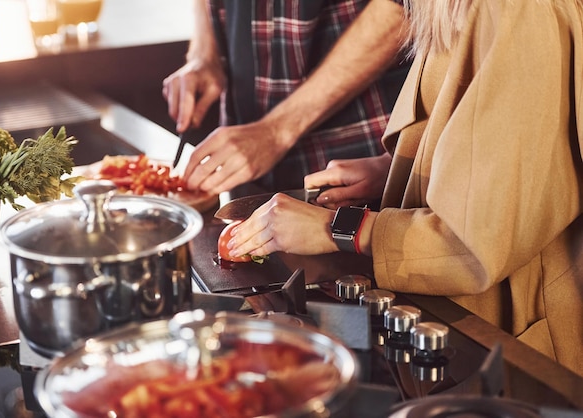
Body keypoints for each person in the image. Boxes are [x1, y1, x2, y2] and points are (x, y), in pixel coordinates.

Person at [225, 0, 583, 377]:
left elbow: (472, 245)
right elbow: (514, 149)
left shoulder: (522, 11)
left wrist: (337, 228)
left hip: (510, 351)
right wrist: (399, 170)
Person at [162, 0, 411, 196]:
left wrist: (275, 131)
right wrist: (204, 54)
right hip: (245, 159)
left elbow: (408, 7)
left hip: (358, 157)